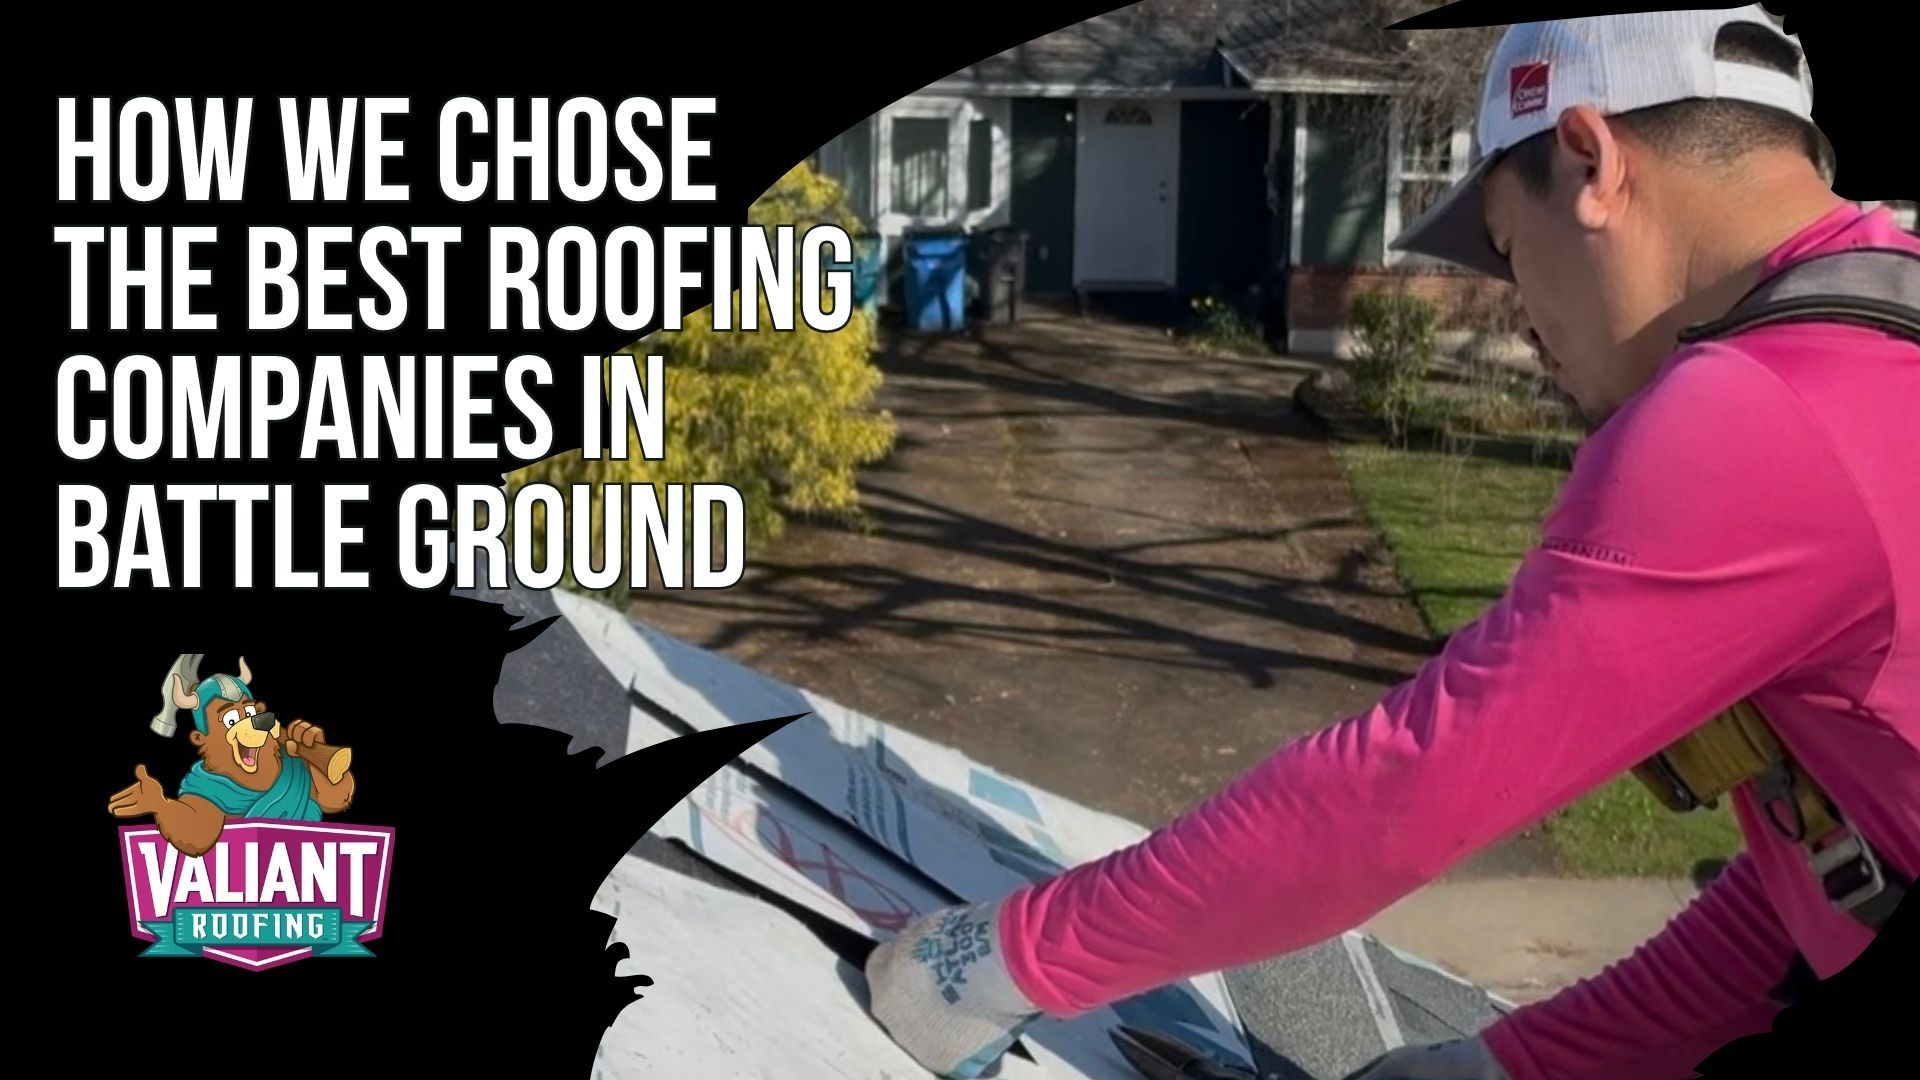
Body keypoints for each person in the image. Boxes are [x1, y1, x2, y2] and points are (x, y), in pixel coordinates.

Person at [861, 8, 1919, 1080]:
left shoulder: (1763, 413)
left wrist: (1003, 961)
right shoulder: (1878, 345)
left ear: (1592, 160)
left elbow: (1401, 794)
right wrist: (1517, 1065)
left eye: (1509, 249)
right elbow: (1829, 877)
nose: (1520, 319)